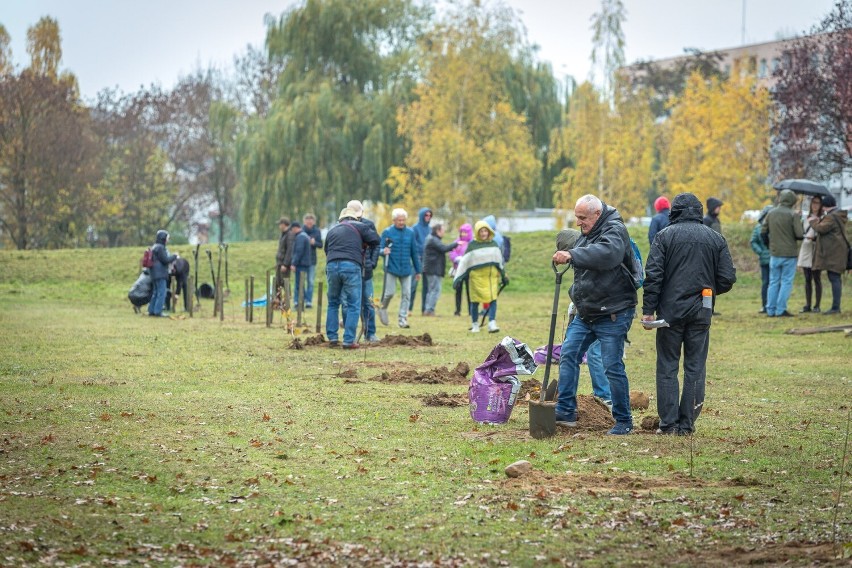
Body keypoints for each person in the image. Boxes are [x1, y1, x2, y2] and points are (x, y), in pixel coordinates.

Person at [641, 193, 737, 435]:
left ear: (674, 211)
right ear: (698, 211)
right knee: (695, 368)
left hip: (669, 314)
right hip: (701, 312)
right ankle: (687, 424)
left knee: (667, 367)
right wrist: (709, 292)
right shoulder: (715, 238)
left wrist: (648, 310)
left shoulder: (664, 237)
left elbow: (653, 276)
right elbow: (727, 277)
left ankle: (669, 424)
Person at [552, 194, 636, 435]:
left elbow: (607, 255)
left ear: (597, 214)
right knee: (568, 354)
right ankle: (566, 411)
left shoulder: (615, 230)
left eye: (582, 218)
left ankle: (623, 420)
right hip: (587, 312)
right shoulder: (588, 233)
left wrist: (573, 255)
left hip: (613, 313)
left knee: (611, 365)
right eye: (576, 217)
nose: (578, 223)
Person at [557, 229, 613, 411]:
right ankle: (567, 403)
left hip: (604, 313)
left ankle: (605, 397)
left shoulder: (590, 256)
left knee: (595, 353)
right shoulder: (585, 255)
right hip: (588, 312)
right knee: (571, 351)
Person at [324, 206, 380, 348]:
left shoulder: (332, 230)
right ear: (354, 218)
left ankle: (332, 337)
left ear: (341, 219)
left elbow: (326, 249)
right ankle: (349, 340)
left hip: (331, 266)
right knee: (354, 304)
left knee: (333, 303)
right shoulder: (360, 226)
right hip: (351, 266)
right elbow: (376, 240)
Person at [452, 221, 507, 333]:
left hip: (490, 278)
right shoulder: (472, 246)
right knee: (475, 301)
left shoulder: (493, 245)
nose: (483, 233)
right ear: (477, 232)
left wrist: (503, 275)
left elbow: (499, 261)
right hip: (476, 279)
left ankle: (492, 323)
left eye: (485, 231)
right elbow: (464, 262)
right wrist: (457, 278)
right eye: (481, 231)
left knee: (493, 300)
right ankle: (475, 324)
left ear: (489, 231)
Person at [761, 189, 803, 317]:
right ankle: (780, 310)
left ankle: (770, 309)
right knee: (786, 282)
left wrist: (769, 246)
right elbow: (800, 235)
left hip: (774, 253)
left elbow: (763, 232)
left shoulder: (771, 213)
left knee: (773, 281)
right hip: (789, 254)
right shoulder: (793, 215)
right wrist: (799, 221)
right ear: (792, 201)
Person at [379, 209, 422, 329]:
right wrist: (383, 251)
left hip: (406, 269)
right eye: (399, 220)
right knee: (389, 293)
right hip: (391, 268)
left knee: (407, 294)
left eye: (403, 220)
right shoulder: (387, 232)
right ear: (394, 220)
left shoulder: (410, 233)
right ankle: (382, 308)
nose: (402, 222)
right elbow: (378, 249)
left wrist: (418, 270)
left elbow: (414, 252)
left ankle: (402, 319)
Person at [346, 199, 381, 342]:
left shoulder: (368, 225)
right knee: (350, 302)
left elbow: (376, 245)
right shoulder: (343, 225)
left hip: (366, 269)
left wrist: (372, 262)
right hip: (350, 268)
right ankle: (350, 335)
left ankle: (370, 332)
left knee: (368, 302)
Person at [810, 194, 848, 315]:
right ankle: (836, 306)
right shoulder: (837, 215)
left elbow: (821, 229)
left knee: (834, 278)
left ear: (825, 206)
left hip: (834, 254)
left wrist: (812, 221)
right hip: (838, 252)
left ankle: (835, 308)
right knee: (835, 278)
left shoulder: (831, 217)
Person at [422, 224, 460, 316]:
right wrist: (456, 244)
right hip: (433, 269)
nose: (444, 232)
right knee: (435, 290)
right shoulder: (433, 240)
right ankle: (429, 310)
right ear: (438, 231)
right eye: (443, 230)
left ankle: (428, 309)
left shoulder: (431, 238)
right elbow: (444, 248)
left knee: (431, 290)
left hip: (431, 268)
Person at [797, 196, 823, 313]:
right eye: (813, 203)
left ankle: (817, 305)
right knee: (807, 278)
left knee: (816, 278)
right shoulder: (806, 218)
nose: (815, 205)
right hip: (806, 248)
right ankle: (808, 304)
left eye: (817, 203)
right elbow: (799, 232)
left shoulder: (822, 218)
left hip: (816, 249)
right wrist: (798, 218)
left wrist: (815, 238)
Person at [148, 230, 178, 317]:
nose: (168, 240)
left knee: (156, 292)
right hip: (160, 273)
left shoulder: (155, 247)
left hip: (154, 273)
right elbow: (165, 260)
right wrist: (175, 256)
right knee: (162, 292)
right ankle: (158, 311)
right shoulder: (160, 248)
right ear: (163, 238)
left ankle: (151, 310)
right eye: (167, 238)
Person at [409, 207, 432, 314]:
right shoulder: (415, 228)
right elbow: (413, 243)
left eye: (430, 215)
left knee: (426, 286)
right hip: (417, 260)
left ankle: (424, 309)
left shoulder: (430, 230)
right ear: (422, 216)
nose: (428, 217)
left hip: (428, 260)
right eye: (426, 215)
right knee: (413, 285)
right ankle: (409, 308)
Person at [750, 205, 773, 313]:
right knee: (766, 283)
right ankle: (765, 305)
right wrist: (761, 252)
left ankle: (772, 305)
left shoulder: (775, 226)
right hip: (765, 260)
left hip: (775, 257)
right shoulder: (758, 227)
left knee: (774, 282)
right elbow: (753, 241)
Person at [449, 223, 473, 316]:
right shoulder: (457, 242)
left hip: (468, 270)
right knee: (458, 290)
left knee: (469, 291)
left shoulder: (472, 243)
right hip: (458, 269)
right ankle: (457, 310)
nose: (463, 234)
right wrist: (456, 258)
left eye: (465, 233)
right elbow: (452, 252)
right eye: (462, 232)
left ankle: (471, 310)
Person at [302, 213, 323, 308]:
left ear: (313, 222)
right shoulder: (301, 231)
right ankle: (302, 299)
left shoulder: (317, 231)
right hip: (302, 260)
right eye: (307, 220)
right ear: (304, 221)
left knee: (310, 281)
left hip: (312, 260)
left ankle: (309, 301)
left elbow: (320, 245)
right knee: (301, 281)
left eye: (311, 221)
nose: (309, 222)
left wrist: (314, 243)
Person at [289, 223, 312, 308]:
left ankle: (297, 302)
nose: (292, 232)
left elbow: (299, 251)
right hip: (304, 264)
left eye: (292, 230)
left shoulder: (300, 237)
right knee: (301, 283)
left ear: (295, 228)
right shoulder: (304, 235)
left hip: (300, 264)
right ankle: (304, 300)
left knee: (299, 284)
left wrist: (294, 263)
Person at [275, 217, 291, 296]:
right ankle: (278, 301)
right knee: (278, 282)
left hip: (284, 265)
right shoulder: (283, 235)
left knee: (285, 282)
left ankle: (287, 300)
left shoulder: (289, 235)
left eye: (280, 224)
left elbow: (289, 251)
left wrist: (285, 264)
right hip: (279, 263)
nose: (279, 226)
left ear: (284, 224)